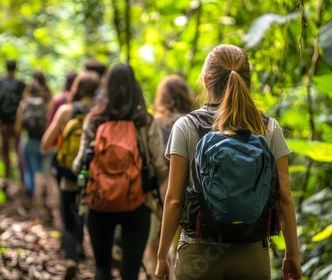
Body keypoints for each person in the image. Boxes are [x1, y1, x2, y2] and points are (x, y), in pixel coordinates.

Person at [155, 44, 303, 280]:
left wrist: (162, 257)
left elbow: (173, 200)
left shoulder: (186, 126)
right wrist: (292, 255)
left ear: (206, 80)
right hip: (252, 252)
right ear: (248, 80)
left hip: (199, 252)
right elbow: (284, 197)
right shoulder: (268, 127)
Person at [72, 63, 168, 280]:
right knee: (130, 273)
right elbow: (161, 168)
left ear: (106, 88)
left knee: (102, 268)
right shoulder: (145, 121)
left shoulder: (94, 120)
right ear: (134, 86)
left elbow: (78, 165)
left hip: (99, 203)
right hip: (138, 204)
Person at [41, 71, 100, 279]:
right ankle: (81, 246)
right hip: (94, 175)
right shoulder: (101, 112)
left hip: (68, 173)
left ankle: (70, 258)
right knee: (82, 210)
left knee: (67, 216)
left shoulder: (66, 111)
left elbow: (46, 143)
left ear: (78, 88)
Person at [143, 74, 196, 277]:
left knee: (155, 247)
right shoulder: (195, 122)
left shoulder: (156, 124)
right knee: (181, 248)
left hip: (160, 194)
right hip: (191, 195)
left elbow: (151, 162)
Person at [14, 70, 53, 216]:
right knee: (43, 173)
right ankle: (42, 200)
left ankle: (32, 199)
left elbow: (17, 128)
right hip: (44, 143)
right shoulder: (48, 102)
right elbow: (49, 125)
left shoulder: (24, 103)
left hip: (29, 142)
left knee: (30, 171)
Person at [0, 60, 26, 189]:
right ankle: (23, 181)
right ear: (15, 68)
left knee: (5, 152)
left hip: (3, 123)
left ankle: (6, 179)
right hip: (17, 124)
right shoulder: (20, 84)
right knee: (18, 151)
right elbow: (24, 104)